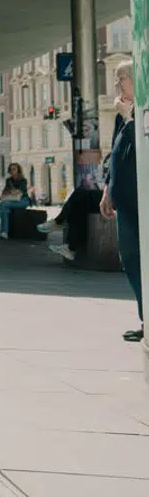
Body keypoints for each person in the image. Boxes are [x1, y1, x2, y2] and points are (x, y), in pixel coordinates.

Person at [100, 62, 142, 342]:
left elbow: (142, 148)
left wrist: (129, 118)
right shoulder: (121, 113)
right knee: (130, 259)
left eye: (121, 79)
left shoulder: (138, 112)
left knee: (144, 260)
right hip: (124, 199)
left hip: (143, 200)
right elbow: (114, 151)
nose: (117, 86)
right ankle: (146, 318)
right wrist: (107, 187)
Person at [0, 163, 33, 239]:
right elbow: (4, 192)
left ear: (18, 170)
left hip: (23, 201)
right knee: (5, 208)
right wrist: (11, 192)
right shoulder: (8, 180)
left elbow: (19, 192)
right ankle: (4, 233)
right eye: (10, 169)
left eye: (14, 169)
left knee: (4, 204)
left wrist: (10, 191)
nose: (12, 171)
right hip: (11, 200)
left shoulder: (23, 180)